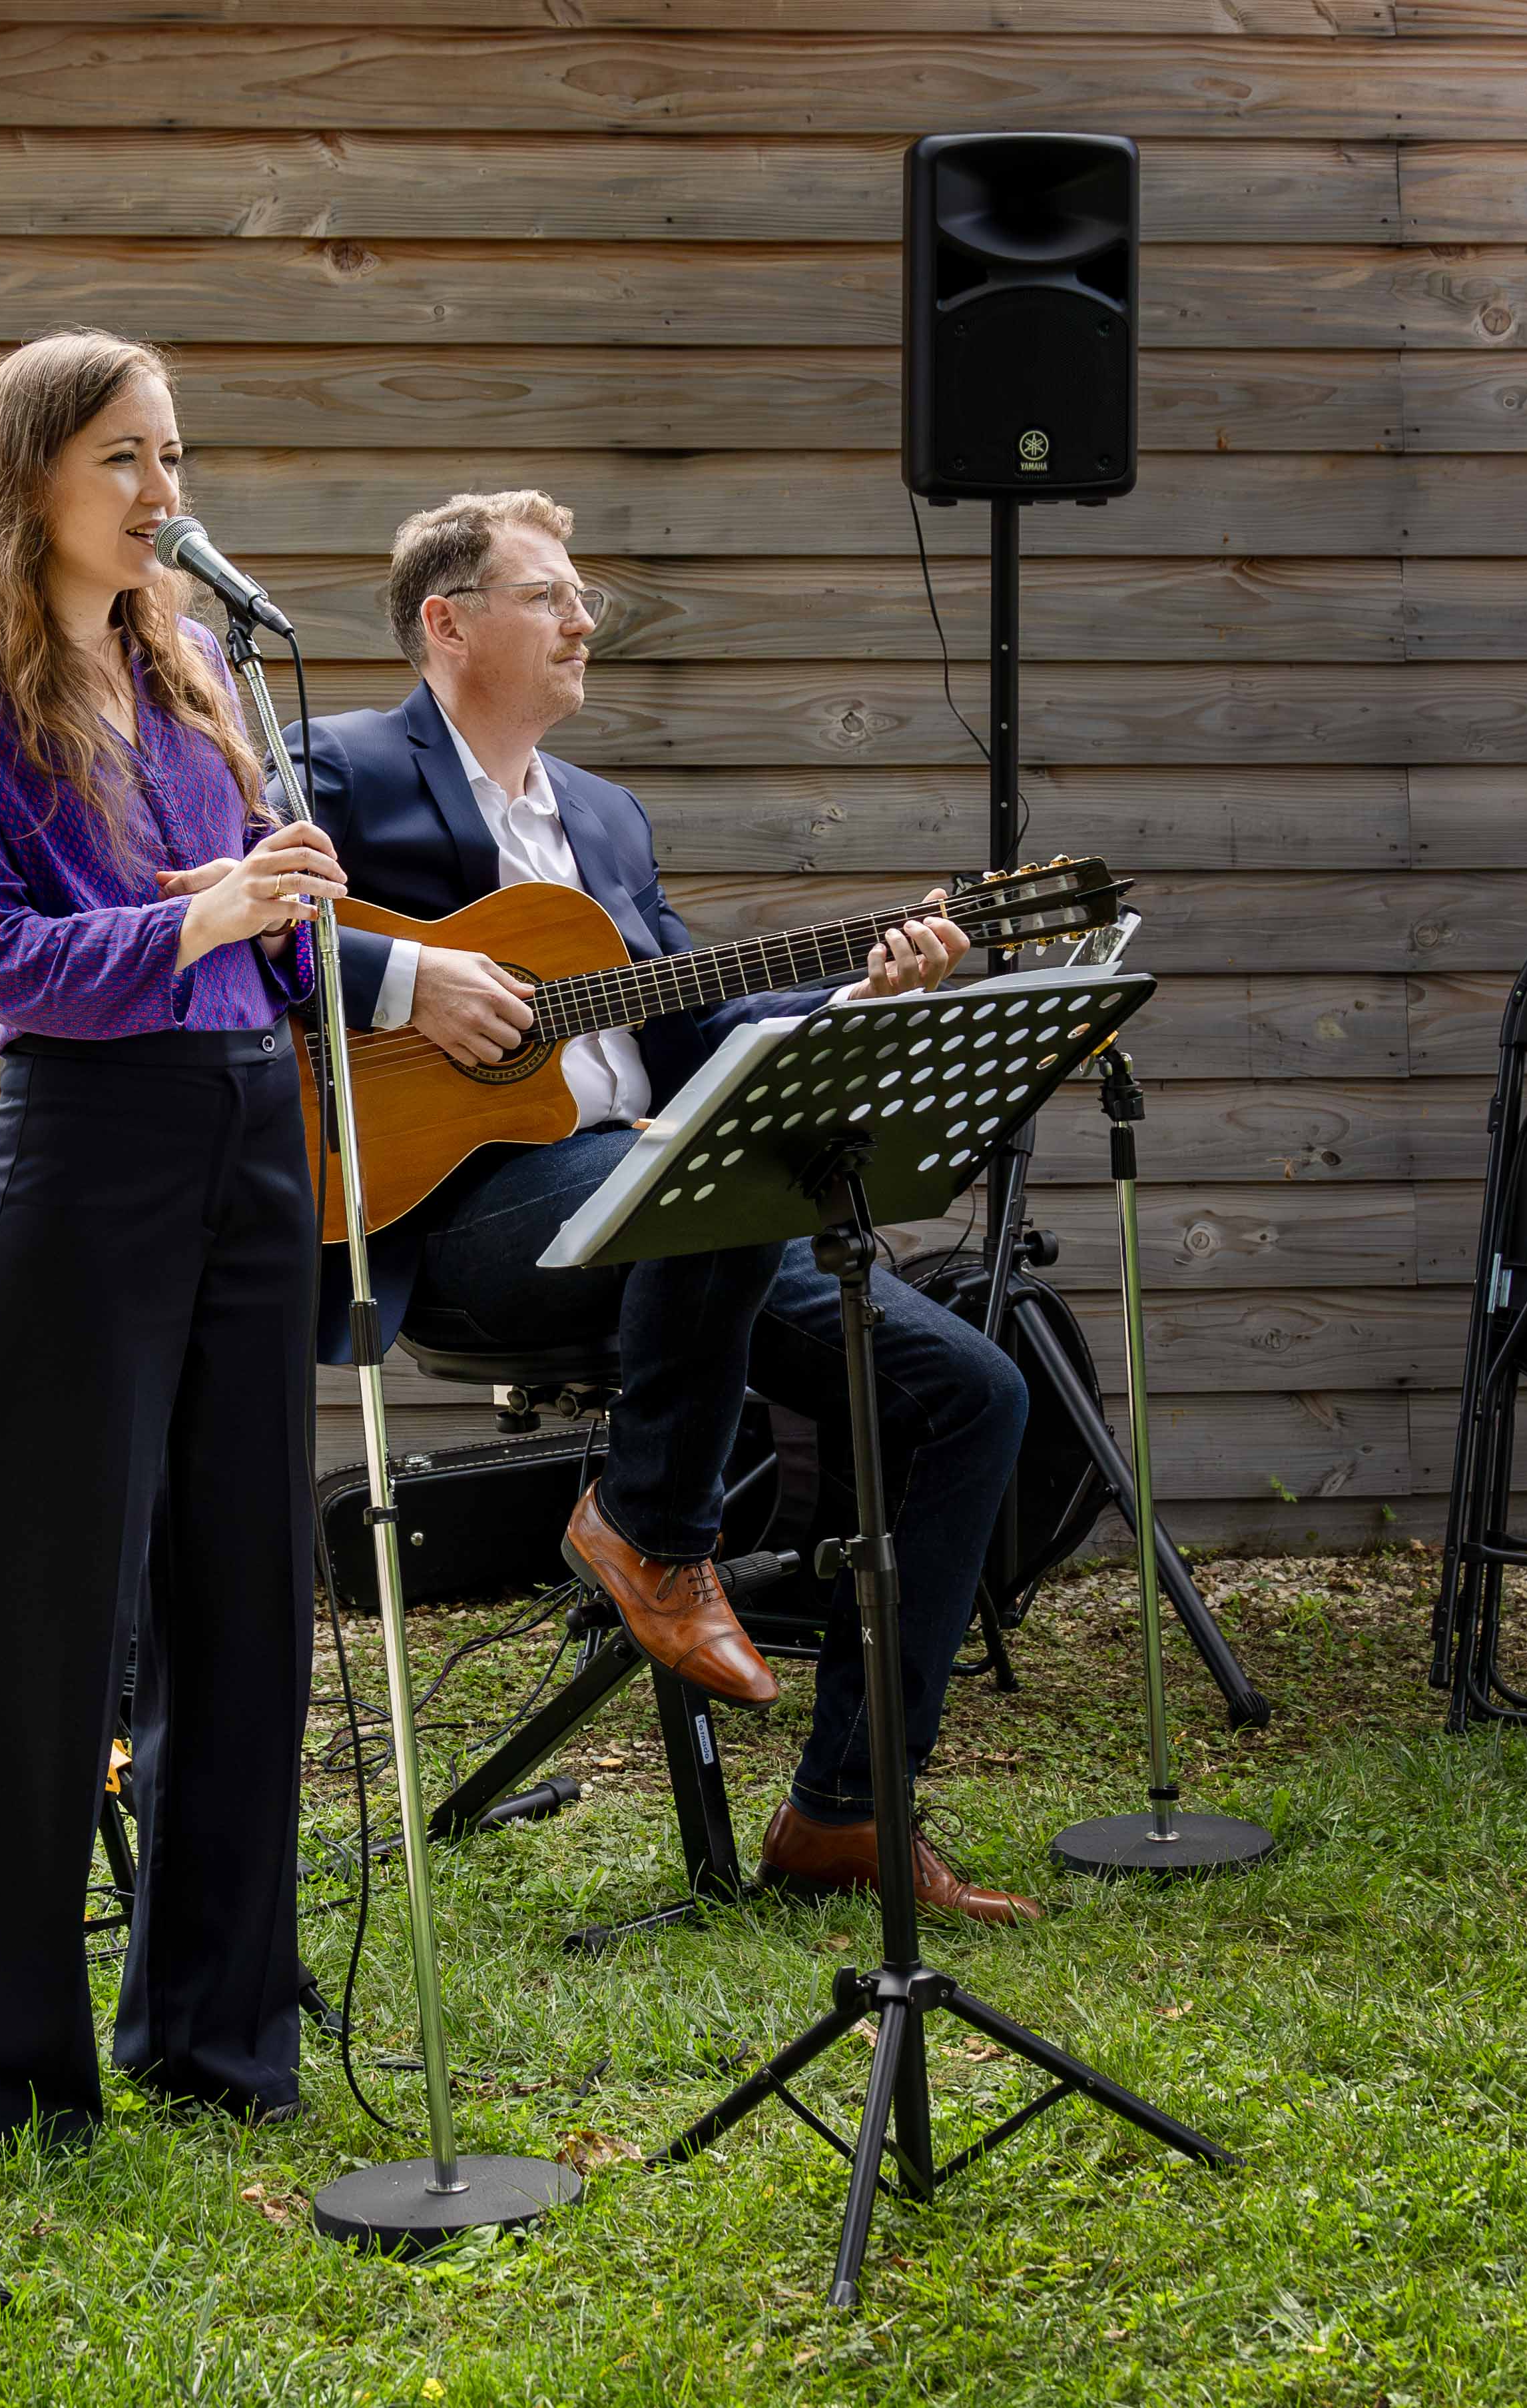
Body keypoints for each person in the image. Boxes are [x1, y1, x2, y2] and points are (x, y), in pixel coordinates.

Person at [288, 489, 1038, 1925]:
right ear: (447, 623)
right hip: (459, 1220)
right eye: (549, 595)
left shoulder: (608, 819)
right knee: (730, 1175)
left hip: (676, 1215)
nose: (587, 620)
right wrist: (420, 988)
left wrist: (860, 990)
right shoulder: (338, 770)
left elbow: (698, 1034)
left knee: (972, 1391)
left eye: (583, 597)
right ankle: (650, 1522)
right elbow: (269, 946)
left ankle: (847, 1809)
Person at [0, 330, 348, 2148]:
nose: (167, 495)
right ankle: (2, 2080)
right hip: (84, 1164)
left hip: (251, 1137)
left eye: (173, 456)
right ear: (32, 486)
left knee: (246, 1605)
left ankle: (219, 2037)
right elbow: (1, 961)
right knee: (42, 1629)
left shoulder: (200, 661)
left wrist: (282, 905)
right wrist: (197, 913)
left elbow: (252, 940)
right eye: (125, 462)